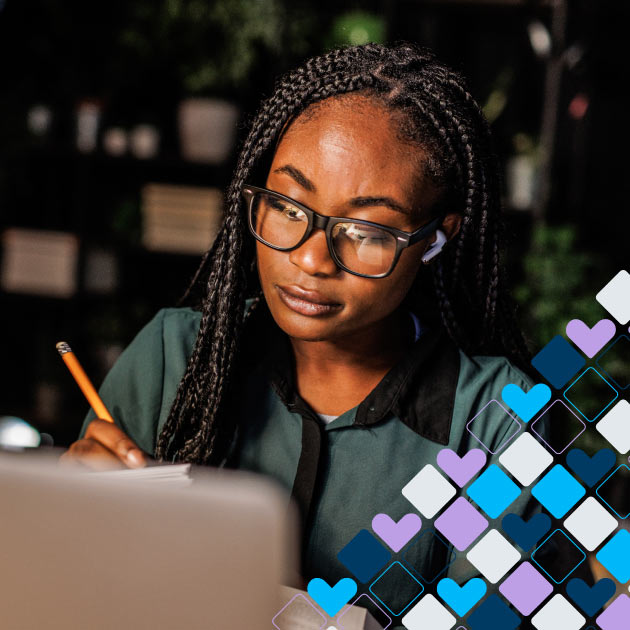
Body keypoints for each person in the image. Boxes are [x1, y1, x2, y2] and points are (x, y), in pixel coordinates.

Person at [60, 42, 551, 618]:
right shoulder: (175, 356)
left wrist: (282, 601)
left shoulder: (498, 422)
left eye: (365, 231)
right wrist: (72, 527)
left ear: (435, 239)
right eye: (289, 207)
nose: (314, 259)